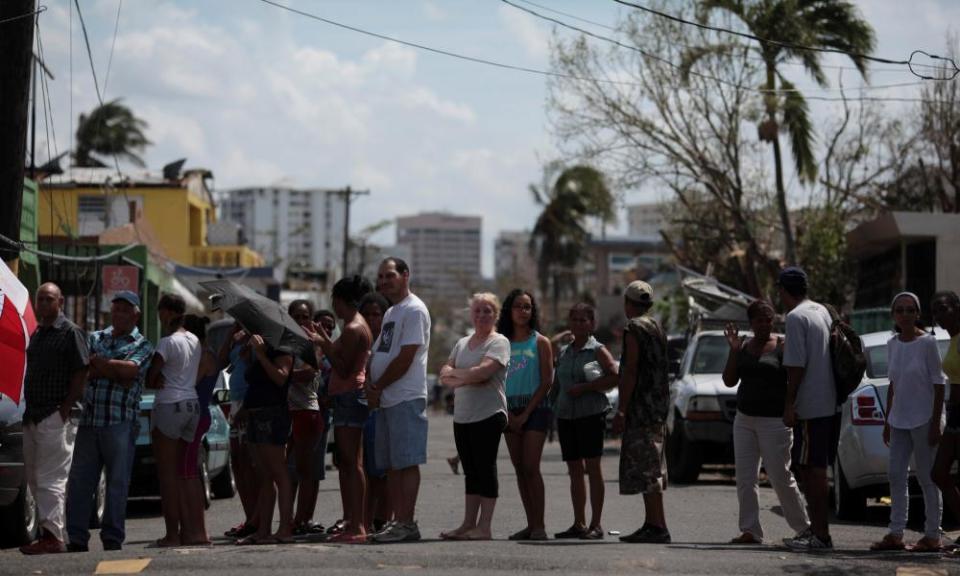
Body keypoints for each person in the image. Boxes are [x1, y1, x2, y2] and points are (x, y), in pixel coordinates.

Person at [66, 290, 154, 552]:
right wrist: (113, 369)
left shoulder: (143, 344)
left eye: (125, 310)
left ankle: (112, 537)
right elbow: (86, 370)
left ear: (136, 314)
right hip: (90, 420)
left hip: (120, 422)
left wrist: (101, 365)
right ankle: (77, 537)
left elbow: (131, 372)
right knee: (81, 483)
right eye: (116, 309)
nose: (119, 314)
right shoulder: (95, 337)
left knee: (117, 483)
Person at [721, 300, 810, 545]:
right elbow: (729, 381)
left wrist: (790, 407)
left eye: (768, 319)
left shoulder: (783, 346)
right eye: (759, 320)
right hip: (744, 420)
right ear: (751, 323)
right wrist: (733, 350)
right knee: (745, 478)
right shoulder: (744, 347)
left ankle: (804, 528)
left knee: (780, 475)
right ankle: (750, 530)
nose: (765, 324)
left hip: (774, 422)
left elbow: (795, 380)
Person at [870, 293, 944, 552]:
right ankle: (895, 532)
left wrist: (936, 423)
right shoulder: (893, 343)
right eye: (900, 310)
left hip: (924, 419)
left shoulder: (927, 344)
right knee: (895, 475)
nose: (905, 314)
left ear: (917, 313)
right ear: (894, 315)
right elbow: (893, 384)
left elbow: (938, 384)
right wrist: (888, 420)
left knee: (927, 477)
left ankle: (933, 534)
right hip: (899, 419)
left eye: (910, 310)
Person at [19, 283, 89, 555]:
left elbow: (82, 371)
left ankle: (53, 537)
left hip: (55, 415)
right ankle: (52, 531)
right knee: (35, 479)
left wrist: (66, 408)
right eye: (40, 299)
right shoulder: (37, 334)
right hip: (34, 415)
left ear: (60, 301)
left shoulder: (70, 332)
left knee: (51, 478)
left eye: (49, 299)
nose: (44, 304)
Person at [366, 257, 431, 543]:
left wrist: (378, 385)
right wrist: (371, 383)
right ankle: (397, 521)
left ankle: (407, 522)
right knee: (392, 464)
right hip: (387, 398)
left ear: (406, 275)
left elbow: (406, 357)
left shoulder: (414, 310)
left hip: (405, 396)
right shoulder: (392, 311)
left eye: (389, 275)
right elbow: (380, 351)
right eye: (380, 276)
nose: (383, 281)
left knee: (406, 462)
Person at [439, 293, 511, 541]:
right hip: (463, 416)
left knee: (485, 468)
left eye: (488, 311)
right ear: (472, 314)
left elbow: (484, 374)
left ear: (496, 315)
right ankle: (468, 524)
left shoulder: (499, 342)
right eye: (478, 310)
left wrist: (459, 377)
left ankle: (484, 527)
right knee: (470, 471)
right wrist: (466, 376)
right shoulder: (461, 343)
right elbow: (443, 375)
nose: (482, 315)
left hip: (489, 414)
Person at [778, 267, 839, 551]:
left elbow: (796, 367)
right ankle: (817, 531)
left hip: (810, 406)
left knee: (813, 471)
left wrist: (789, 404)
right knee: (811, 468)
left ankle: (821, 535)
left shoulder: (795, 317)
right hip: (828, 403)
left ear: (783, 291)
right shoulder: (821, 311)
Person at [309, 276, 374, 543]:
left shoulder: (352, 328)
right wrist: (325, 339)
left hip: (350, 395)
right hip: (349, 396)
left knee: (351, 463)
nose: (332, 306)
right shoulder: (355, 325)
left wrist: (324, 344)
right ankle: (352, 521)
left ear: (341, 300)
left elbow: (343, 367)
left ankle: (357, 525)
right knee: (347, 463)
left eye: (334, 300)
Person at [551, 302, 619, 541]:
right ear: (569, 323)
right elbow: (556, 384)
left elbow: (614, 378)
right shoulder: (564, 352)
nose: (579, 324)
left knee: (593, 468)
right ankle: (578, 523)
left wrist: (587, 387)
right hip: (566, 415)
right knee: (574, 470)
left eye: (584, 320)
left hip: (591, 414)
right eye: (575, 320)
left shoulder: (597, 351)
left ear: (592, 324)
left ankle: (596, 524)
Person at [613, 281, 671, 544]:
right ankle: (652, 523)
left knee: (648, 469)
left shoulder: (634, 327)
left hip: (642, 409)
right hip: (658, 407)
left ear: (628, 303)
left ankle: (658, 526)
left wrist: (622, 410)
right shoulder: (656, 326)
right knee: (653, 465)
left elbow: (630, 370)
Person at [146, 294, 202, 547]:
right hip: (192, 405)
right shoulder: (194, 340)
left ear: (167, 313)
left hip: (169, 405)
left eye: (160, 311)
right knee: (182, 473)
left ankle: (172, 534)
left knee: (167, 476)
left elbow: (151, 376)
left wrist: (155, 378)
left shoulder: (167, 342)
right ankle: (189, 531)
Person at [498, 288, 553, 541]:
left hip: (536, 410)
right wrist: (509, 413)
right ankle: (530, 525)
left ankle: (540, 526)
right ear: (509, 310)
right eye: (518, 306)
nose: (523, 311)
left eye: (527, 307)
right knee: (519, 469)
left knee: (531, 467)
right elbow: (495, 380)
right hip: (508, 411)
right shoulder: (500, 342)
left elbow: (546, 382)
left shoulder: (541, 342)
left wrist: (525, 414)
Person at [236, 331, 295, 545]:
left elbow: (281, 377)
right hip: (255, 414)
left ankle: (285, 528)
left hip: (272, 415)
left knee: (278, 471)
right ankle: (263, 530)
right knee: (264, 475)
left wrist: (260, 355)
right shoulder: (261, 348)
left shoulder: (283, 348)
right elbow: (256, 383)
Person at [285, 300, 325, 536]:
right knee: (288, 470)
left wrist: (281, 373)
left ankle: (302, 518)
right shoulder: (284, 341)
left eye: (305, 316)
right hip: (287, 411)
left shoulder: (313, 343)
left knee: (304, 470)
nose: (301, 321)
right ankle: (289, 517)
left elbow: (310, 372)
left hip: (307, 411)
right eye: (296, 316)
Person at [180, 314, 217, 546]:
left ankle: (199, 532)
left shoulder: (203, 356)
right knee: (187, 472)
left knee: (189, 474)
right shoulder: (206, 354)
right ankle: (191, 530)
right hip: (198, 416)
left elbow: (186, 383)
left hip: (195, 417)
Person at [220, 324, 258, 539]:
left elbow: (258, 371)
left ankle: (257, 518)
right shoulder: (238, 337)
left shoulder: (259, 338)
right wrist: (229, 335)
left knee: (250, 462)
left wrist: (249, 354)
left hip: (248, 401)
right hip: (234, 400)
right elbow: (222, 361)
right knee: (238, 460)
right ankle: (249, 516)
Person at [359, 292, 392, 532]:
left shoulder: (389, 342)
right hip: (359, 411)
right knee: (367, 471)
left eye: (376, 314)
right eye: (367, 314)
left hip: (383, 409)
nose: (372, 319)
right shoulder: (358, 339)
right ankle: (364, 519)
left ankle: (383, 518)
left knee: (384, 472)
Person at [932, 291, 960, 549]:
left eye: (943, 309)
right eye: (935, 311)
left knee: (940, 472)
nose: (939, 315)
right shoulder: (952, 339)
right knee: (939, 473)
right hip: (954, 414)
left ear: (956, 307)